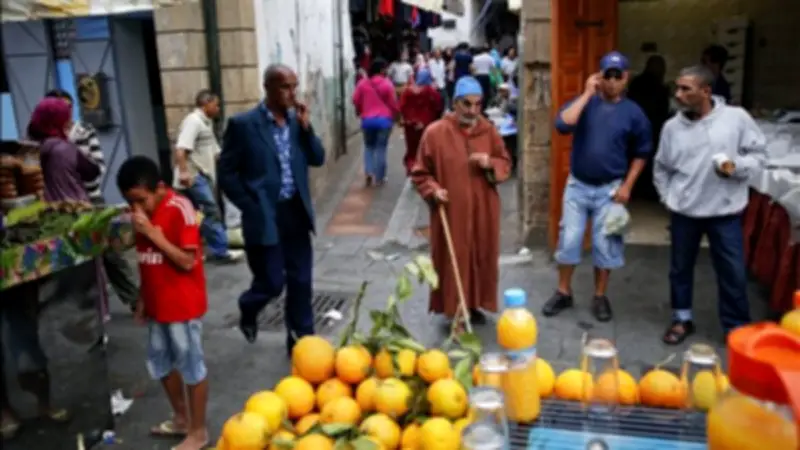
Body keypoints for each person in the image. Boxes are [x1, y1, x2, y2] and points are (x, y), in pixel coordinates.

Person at [653, 65, 765, 345]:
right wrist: (668, 198)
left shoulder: (735, 119)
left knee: (732, 272)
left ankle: (736, 327)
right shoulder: (672, 127)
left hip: (724, 213)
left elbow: (759, 155)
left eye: (685, 89)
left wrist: (735, 167)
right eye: (677, 88)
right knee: (680, 269)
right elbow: (661, 167)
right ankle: (681, 318)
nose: (678, 95)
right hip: (685, 213)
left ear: (705, 91)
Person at [218, 64, 325, 352]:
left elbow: (317, 158)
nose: (292, 93)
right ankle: (249, 306)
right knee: (272, 283)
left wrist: (307, 128)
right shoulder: (243, 125)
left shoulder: (296, 122)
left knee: (301, 282)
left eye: (294, 86)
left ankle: (302, 344)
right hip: (265, 214)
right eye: (285, 87)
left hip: (296, 212)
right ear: (267, 88)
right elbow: (226, 172)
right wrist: (249, 205)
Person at [543, 51, 653, 322]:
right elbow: (562, 124)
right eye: (608, 75)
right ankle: (563, 291)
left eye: (618, 76)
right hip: (578, 186)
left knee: (606, 246)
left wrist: (628, 186)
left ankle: (600, 295)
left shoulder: (634, 113)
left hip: (611, 191)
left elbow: (642, 152)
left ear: (626, 78)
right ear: (599, 76)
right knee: (569, 239)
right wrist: (586, 94)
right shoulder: (586, 104)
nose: (613, 81)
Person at [116, 155, 209, 450]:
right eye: (131, 203)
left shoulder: (180, 208)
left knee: (191, 364)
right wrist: (143, 299)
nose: (137, 210)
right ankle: (181, 418)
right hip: (158, 305)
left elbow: (186, 261)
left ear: (158, 188)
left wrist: (153, 234)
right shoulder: (141, 217)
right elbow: (147, 262)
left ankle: (199, 431)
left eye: (141, 200)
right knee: (161, 362)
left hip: (183, 305)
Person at [411, 76, 512, 327]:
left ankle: (473, 304)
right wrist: (434, 190)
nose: (473, 110)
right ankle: (454, 310)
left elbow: (505, 162)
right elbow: (420, 173)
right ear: (455, 103)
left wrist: (490, 163)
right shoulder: (435, 133)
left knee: (480, 254)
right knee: (453, 256)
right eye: (467, 104)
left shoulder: (488, 130)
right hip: (451, 210)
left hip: (483, 209)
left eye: (478, 105)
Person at [45, 89, 140, 311]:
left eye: (68, 106)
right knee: (72, 259)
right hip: (59, 208)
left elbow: (98, 168)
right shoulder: (45, 138)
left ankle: (135, 299)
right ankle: (83, 308)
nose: (65, 112)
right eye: (59, 107)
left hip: (90, 201)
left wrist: (76, 186)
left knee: (111, 253)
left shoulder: (83, 132)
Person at [174, 90, 243, 263]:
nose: (218, 108)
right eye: (216, 104)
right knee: (211, 211)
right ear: (206, 104)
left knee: (197, 215)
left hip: (199, 177)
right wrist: (184, 173)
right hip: (194, 177)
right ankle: (221, 250)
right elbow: (181, 149)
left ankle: (194, 246)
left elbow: (216, 152)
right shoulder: (194, 122)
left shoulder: (206, 123)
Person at [27, 98, 101, 203]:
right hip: (73, 209)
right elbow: (92, 172)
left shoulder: (27, 149)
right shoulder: (65, 148)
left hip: (41, 211)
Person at [626, 55, 671, 201]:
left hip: (637, 128)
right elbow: (662, 109)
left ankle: (638, 191)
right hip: (651, 127)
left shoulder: (637, 83)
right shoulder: (657, 87)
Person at [352, 58, 400, 186]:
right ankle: (380, 177)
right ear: (381, 70)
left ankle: (368, 172)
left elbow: (355, 99)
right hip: (384, 121)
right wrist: (396, 115)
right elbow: (393, 104)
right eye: (385, 68)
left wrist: (360, 110)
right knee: (381, 149)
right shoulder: (387, 84)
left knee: (368, 147)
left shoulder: (362, 83)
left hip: (367, 121)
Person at [399, 69, 443, 175]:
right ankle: (423, 169)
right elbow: (438, 107)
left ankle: (411, 168)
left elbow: (401, 107)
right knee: (425, 148)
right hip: (426, 124)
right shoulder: (431, 91)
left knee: (411, 148)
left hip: (410, 125)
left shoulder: (407, 91)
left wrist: (405, 119)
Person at [471, 47, 495, 113]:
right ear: (488, 51)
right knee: (486, 93)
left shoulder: (475, 58)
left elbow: (472, 68)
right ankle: (483, 108)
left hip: (477, 76)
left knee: (478, 92)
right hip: (486, 76)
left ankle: (477, 107)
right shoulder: (490, 58)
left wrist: (473, 76)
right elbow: (493, 69)